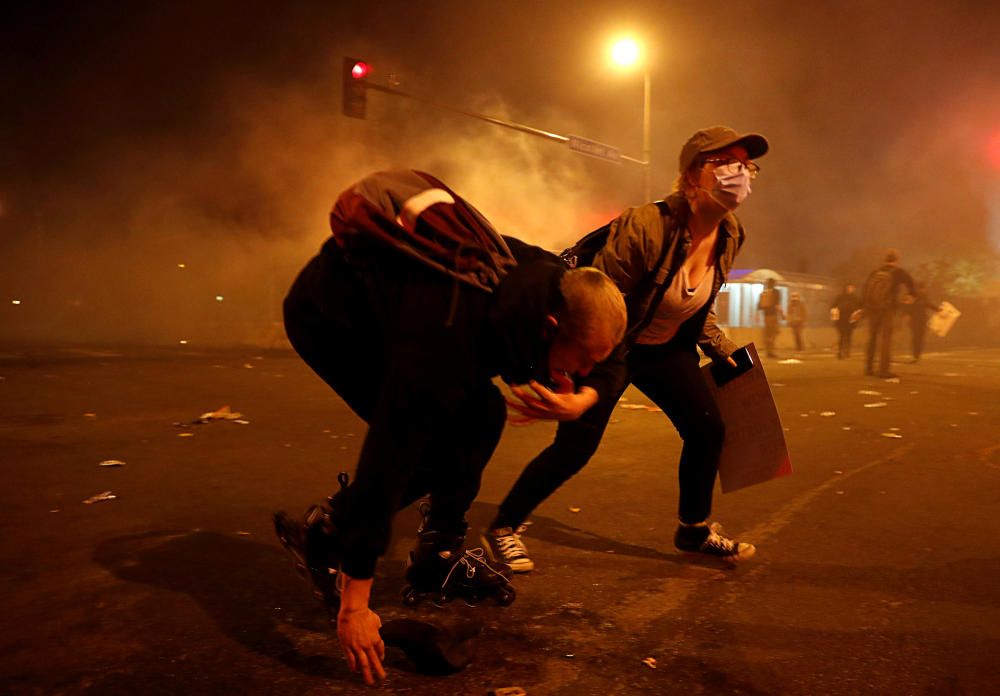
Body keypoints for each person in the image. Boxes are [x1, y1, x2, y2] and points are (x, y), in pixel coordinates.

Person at [276, 169, 627, 685]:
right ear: (551, 328)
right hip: (333, 320)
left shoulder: (550, 280)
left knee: (483, 412)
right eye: (579, 365)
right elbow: (388, 455)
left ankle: (436, 554)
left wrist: (585, 400)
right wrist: (355, 605)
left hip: (397, 314)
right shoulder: (448, 332)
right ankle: (325, 535)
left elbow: (617, 352)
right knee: (427, 444)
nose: (576, 377)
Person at [481, 126, 769, 573]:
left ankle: (692, 529)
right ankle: (503, 525)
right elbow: (602, 309)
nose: (740, 172)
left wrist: (720, 347)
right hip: (612, 340)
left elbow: (697, 301)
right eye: (725, 162)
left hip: (665, 349)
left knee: (708, 429)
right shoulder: (647, 227)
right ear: (693, 173)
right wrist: (586, 384)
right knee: (576, 445)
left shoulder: (731, 234)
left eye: (746, 164)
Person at [857, 249, 915, 378]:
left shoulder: (875, 272)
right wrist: (911, 295)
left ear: (885, 260)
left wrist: (862, 307)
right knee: (886, 339)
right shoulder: (898, 272)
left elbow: (865, 289)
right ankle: (883, 370)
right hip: (887, 309)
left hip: (872, 309)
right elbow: (911, 283)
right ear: (896, 260)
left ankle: (868, 368)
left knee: (872, 338)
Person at [905, 281, 941, 363]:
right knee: (917, 339)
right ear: (922, 289)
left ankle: (916, 356)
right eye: (924, 289)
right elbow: (908, 307)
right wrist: (938, 309)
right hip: (916, 322)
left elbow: (929, 304)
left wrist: (938, 309)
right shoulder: (914, 296)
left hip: (920, 321)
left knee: (919, 339)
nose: (925, 291)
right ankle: (915, 356)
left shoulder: (923, 296)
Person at [830, 283, 861, 359]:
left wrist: (856, 320)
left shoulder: (854, 298)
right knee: (842, 337)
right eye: (849, 288)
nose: (851, 289)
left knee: (848, 337)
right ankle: (841, 352)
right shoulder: (840, 297)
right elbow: (833, 308)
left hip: (850, 321)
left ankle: (847, 352)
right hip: (841, 320)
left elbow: (858, 310)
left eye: (852, 288)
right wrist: (835, 319)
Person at [757, 277, 784, 358]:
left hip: (766, 317)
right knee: (773, 334)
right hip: (773, 316)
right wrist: (782, 314)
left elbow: (759, 306)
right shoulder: (776, 292)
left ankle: (768, 351)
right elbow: (777, 305)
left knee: (768, 334)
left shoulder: (764, 293)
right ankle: (771, 352)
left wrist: (757, 317)